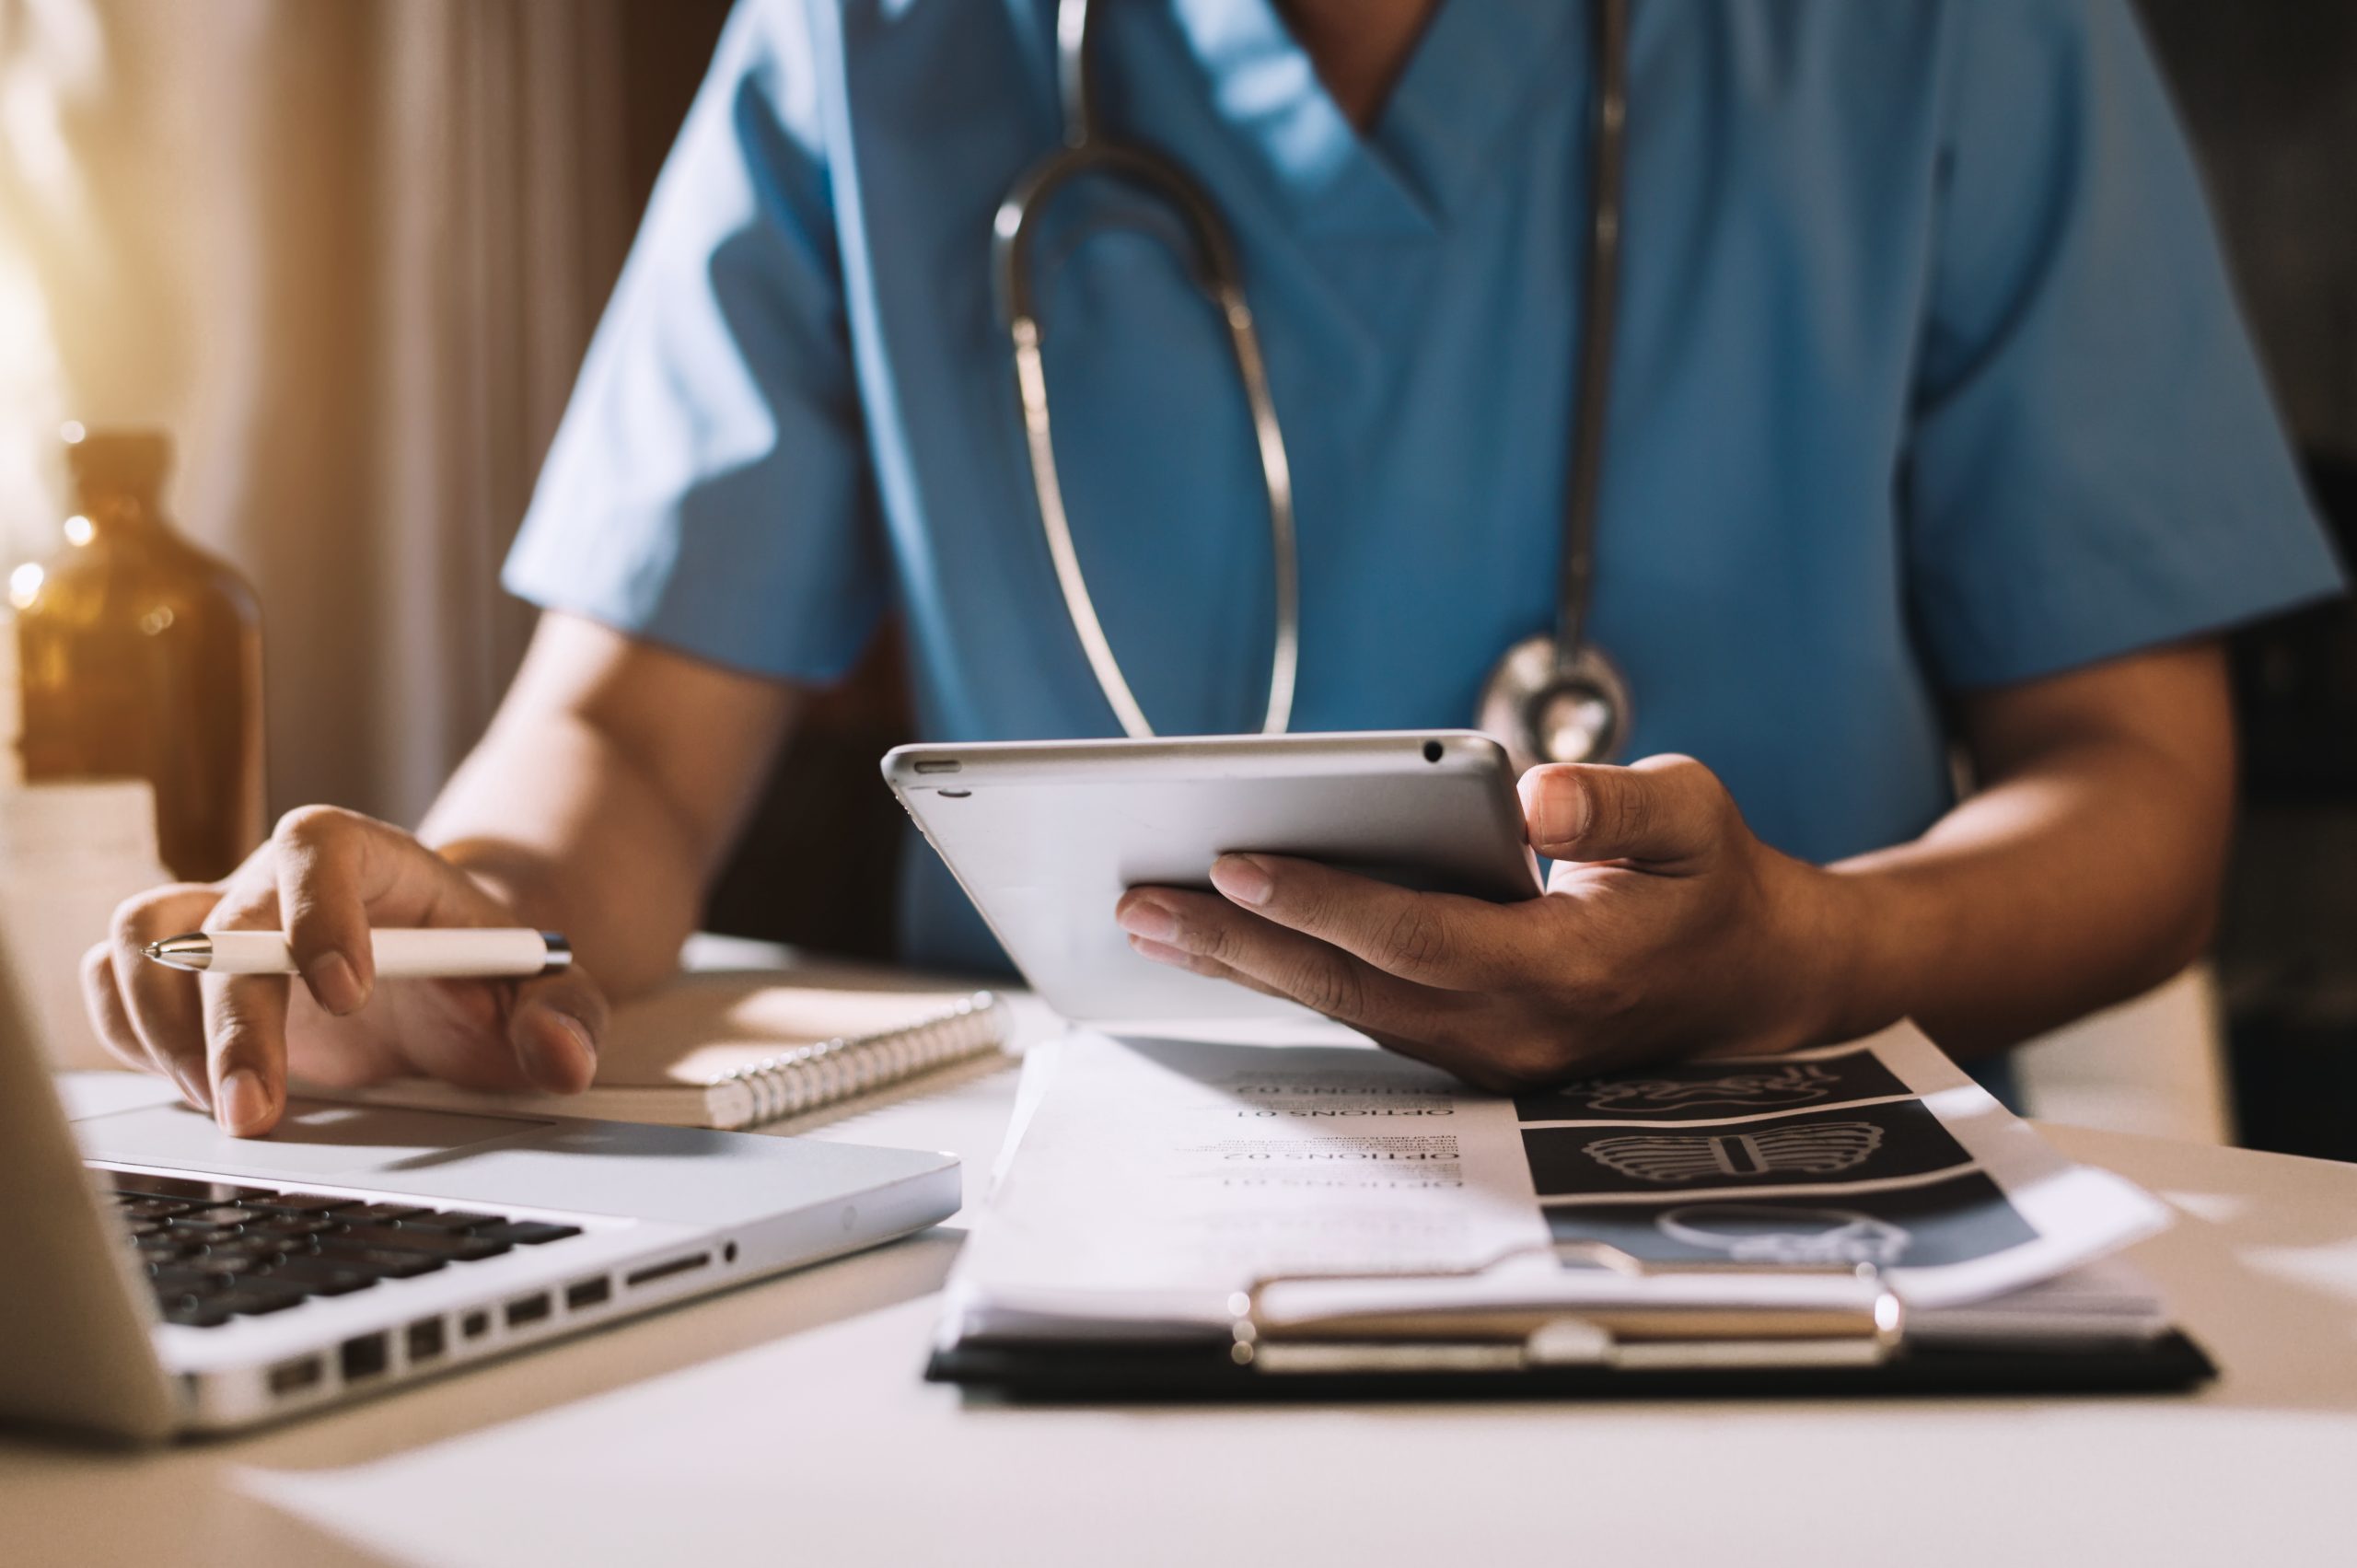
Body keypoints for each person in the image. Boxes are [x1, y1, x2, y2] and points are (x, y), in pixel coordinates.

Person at [85, 0, 2342, 1135]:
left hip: (1768, 1176)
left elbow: (2133, 783)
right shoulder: (869, 42)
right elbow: (625, 752)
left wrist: (1795, 956)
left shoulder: (1938, 35)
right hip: (1059, 1201)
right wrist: (454, 919)